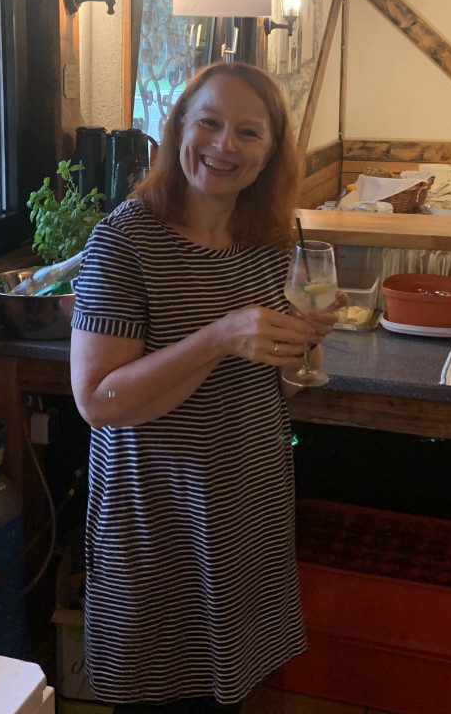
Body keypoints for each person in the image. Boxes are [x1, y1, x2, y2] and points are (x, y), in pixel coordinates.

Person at [69, 62, 337, 714]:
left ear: (270, 152)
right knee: (158, 693)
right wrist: (220, 337)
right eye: (209, 123)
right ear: (178, 129)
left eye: (248, 132)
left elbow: (282, 387)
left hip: (245, 508)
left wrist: (302, 344)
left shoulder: (271, 241)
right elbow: (97, 400)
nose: (223, 146)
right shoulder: (123, 241)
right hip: (156, 519)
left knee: (227, 695)